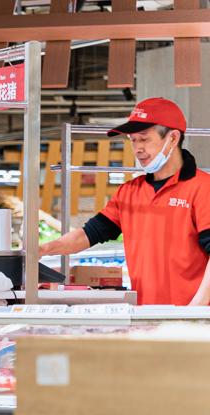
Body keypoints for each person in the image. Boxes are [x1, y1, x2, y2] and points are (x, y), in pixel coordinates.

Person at [40, 98, 210, 305]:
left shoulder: (203, 187)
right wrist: (43, 249)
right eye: (132, 140)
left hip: (195, 319)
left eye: (144, 139)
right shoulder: (129, 192)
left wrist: (194, 311)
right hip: (144, 314)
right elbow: (87, 234)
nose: (137, 149)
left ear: (173, 138)